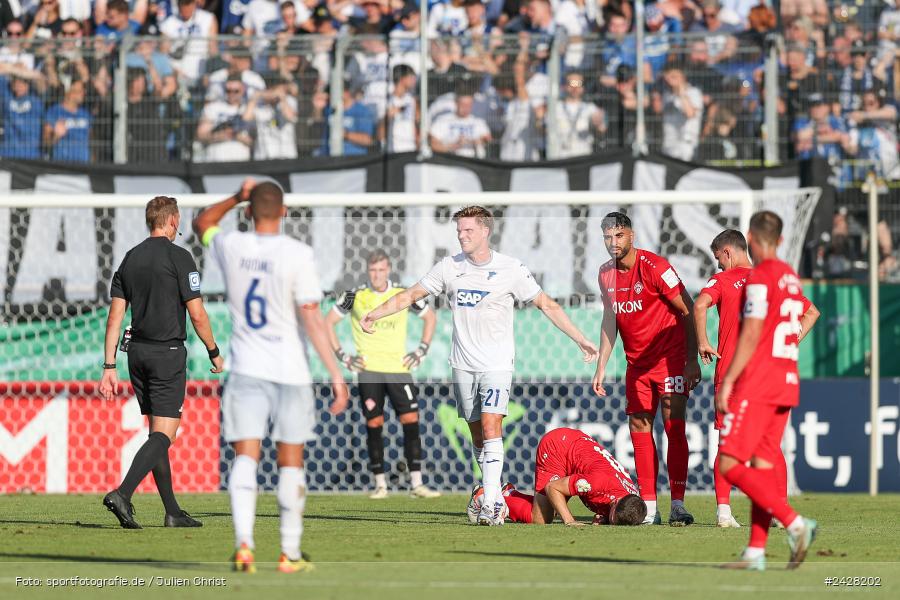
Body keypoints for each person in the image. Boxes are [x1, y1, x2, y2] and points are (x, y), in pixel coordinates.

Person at [361, 206, 598, 526]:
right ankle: (495, 489)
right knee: (477, 435)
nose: (462, 236)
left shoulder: (511, 268)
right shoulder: (449, 267)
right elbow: (412, 294)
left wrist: (579, 338)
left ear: (486, 231)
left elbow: (546, 304)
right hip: (462, 365)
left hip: (497, 364)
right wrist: (376, 313)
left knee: (491, 427)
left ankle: (491, 503)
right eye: (459, 231)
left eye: (468, 231)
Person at [193, 179, 349, 574]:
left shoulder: (232, 246)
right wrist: (336, 373)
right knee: (290, 463)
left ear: (248, 211)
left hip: (246, 369)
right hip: (290, 372)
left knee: (245, 457)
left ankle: (244, 546)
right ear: (283, 212)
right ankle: (289, 553)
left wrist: (235, 195)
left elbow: (201, 222)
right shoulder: (298, 253)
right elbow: (312, 317)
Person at [99, 195, 224, 530]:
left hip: (136, 355)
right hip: (167, 354)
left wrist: (109, 366)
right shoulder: (180, 257)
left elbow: (115, 318)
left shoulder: (129, 258)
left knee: (157, 433)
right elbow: (197, 314)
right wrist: (213, 350)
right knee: (165, 434)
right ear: (173, 220)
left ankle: (172, 512)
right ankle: (123, 494)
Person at [693, 229, 819, 528]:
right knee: (771, 446)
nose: (719, 266)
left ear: (727, 253)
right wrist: (790, 341)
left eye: (718, 259)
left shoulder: (723, 280)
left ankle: (724, 513)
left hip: (732, 375)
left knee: (727, 443)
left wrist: (702, 342)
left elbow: (699, 306)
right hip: (767, 375)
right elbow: (812, 312)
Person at [592, 211, 701, 526]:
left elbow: (688, 309)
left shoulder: (656, 268)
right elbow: (610, 319)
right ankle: (649, 508)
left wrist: (691, 359)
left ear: (631, 235)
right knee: (639, 428)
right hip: (636, 365)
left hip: (669, 360)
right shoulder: (605, 274)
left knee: (673, 427)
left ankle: (677, 504)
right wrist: (602, 364)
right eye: (607, 237)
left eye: (619, 236)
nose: (613, 243)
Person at [326, 249, 440, 499]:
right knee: (374, 423)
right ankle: (380, 485)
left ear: (388, 270)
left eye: (381, 270)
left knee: (411, 421)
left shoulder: (402, 294)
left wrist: (421, 350)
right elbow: (328, 323)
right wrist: (343, 356)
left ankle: (417, 484)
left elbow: (430, 317)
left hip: (398, 370)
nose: (377, 275)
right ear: (368, 271)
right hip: (369, 371)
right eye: (373, 270)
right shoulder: (354, 295)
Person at [468, 428, 647, 527]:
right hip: (557, 448)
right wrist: (569, 520)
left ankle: (510, 493)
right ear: (615, 501)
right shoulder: (596, 484)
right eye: (612, 516)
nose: (610, 519)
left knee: (553, 506)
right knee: (540, 519)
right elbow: (552, 487)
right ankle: (484, 495)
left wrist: (604, 515)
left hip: (576, 448)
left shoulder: (630, 496)